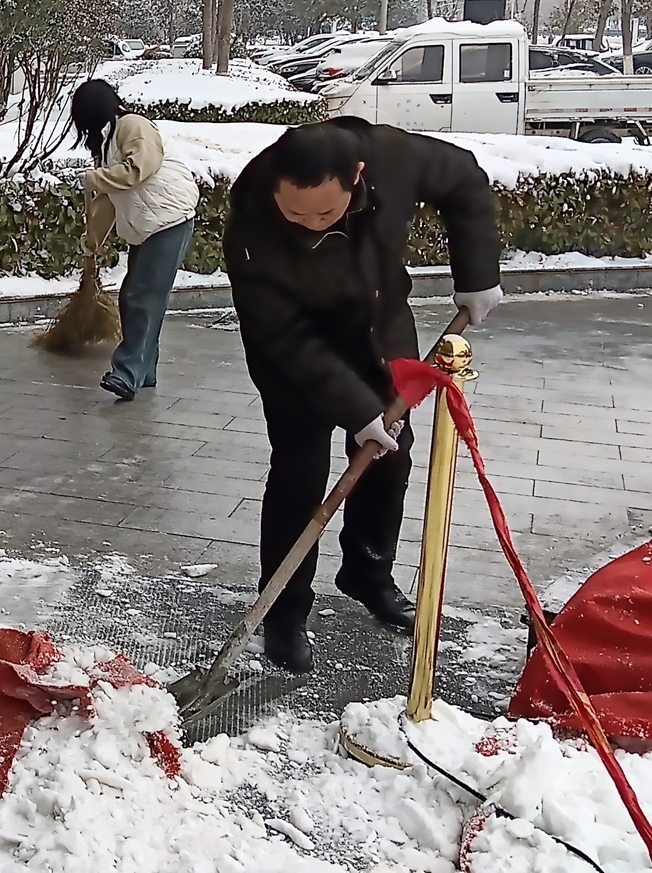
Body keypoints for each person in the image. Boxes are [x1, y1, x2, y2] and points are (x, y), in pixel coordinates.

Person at [225, 119, 503, 673]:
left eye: (325, 213)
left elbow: (465, 180)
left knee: (388, 459)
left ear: (356, 177)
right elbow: (284, 338)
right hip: (296, 359)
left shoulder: (393, 157)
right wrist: (357, 411)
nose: (311, 225)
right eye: (296, 214)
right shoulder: (251, 225)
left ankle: (368, 572)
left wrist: (476, 273)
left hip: (379, 335)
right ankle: (282, 609)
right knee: (299, 473)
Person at [71, 79, 200, 401]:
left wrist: (95, 177)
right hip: (145, 226)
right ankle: (145, 372)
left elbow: (139, 168)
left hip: (170, 218)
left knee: (141, 297)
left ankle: (127, 373)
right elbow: (107, 200)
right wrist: (92, 242)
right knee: (137, 298)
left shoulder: (133, 125)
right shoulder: (106, 145)